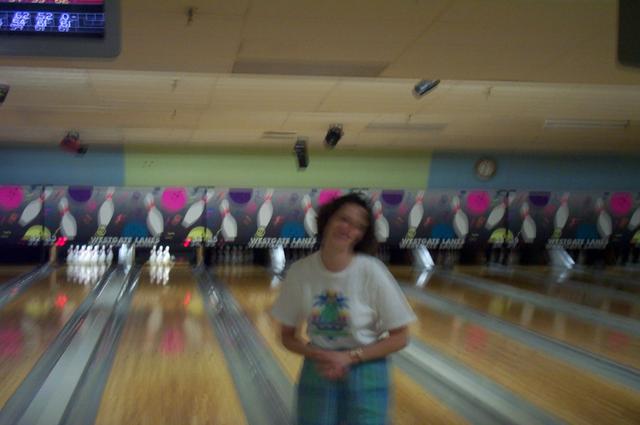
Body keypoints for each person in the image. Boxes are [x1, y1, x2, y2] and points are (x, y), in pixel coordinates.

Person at [271, 193, 416, 425]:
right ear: (327, 219)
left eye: (358, 226)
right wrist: (320, 355)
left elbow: (401, 336)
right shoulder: (300, 272)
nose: (348, 229)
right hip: (320, 364)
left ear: (361, 235)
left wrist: (349, 357)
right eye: (344, 219)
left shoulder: (372, 271)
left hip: (367, 365)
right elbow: (287, 336)